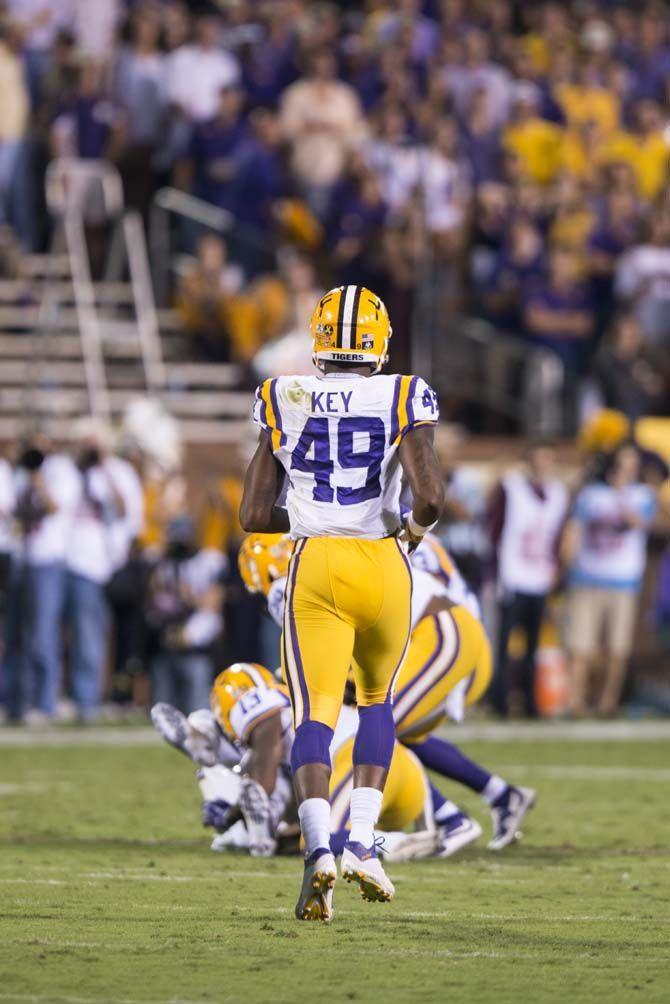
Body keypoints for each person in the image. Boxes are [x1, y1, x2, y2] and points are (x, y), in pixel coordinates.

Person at [239, 285, 444, 921]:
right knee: (378, 701)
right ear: (378, 342)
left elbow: (251, 514)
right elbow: (430, 499)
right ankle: (363, 844)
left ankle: (317, 852)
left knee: (316, 715)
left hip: (317, 563)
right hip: (385, 562)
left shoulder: (282, 393)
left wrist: (308, 515)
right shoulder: (403, 392)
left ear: (319, 341)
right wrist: (407, 533)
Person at [562, 442, 657, 717]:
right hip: (587, 577)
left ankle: (607, 703)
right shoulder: (592, 495)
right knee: (581, 646)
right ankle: (576, 702)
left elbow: (639, 523)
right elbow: (575, 530)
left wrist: (620, 493)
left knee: (618, 649)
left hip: (623, 581)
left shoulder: (641, 495)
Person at [65, 419, 143, 721]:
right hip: (76, 562)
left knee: (112, 636)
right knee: (82, 634)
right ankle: (83, 700)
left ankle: (104, 698)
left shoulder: (118, 472)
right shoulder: (73, 471)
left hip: (111, 565)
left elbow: (126, 512)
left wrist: (104, 469)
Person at [488, 441, 569, 717]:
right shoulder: (512, 488)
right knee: (504, 642)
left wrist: (557, 569)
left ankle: (530, 703)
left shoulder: (558, 493)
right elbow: (494, 528)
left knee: (534, 644)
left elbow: (557, 536)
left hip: (540, 576)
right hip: (512, 575)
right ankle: (499, 701)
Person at [2, 433, 79, 722]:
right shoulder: (19, 472)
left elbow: (54, 506)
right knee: (14, 634)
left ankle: (45, 703)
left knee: (42, 635)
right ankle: (14, 705)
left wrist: (38, 478)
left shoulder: (60, 470)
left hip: (48, 561)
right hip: (21, 559)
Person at [147, 516, 225, 715]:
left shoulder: (208, 560)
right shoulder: (163, 564)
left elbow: (213, 604)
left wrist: (187, 596)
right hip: (170, 633)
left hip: (198, 636)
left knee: (199, 712)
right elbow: (154, 599)